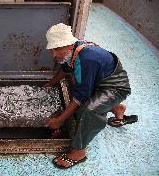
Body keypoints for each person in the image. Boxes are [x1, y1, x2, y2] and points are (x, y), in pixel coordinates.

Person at [45, 23, 137, 169]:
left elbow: (80, 97)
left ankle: (79, 152)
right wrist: (50, 84)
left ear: (69, 45)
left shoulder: (87, 58)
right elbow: (65, 69)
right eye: (52, 50)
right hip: (101, 83)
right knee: (77, 85)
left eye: (57, 49)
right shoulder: (74, 51)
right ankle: (117, 108)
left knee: (88, 110)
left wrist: (59, 120)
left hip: (116, 88)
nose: (54, 54)